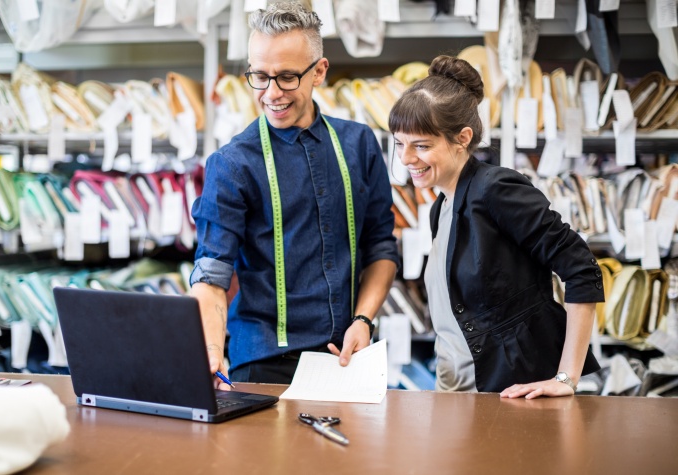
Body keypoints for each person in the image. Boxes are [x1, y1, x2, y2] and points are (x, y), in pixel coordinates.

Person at [190, 2, 399, 386]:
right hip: (264, 361)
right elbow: (211, 272)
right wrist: (211, 351)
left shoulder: (359, 144)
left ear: (318, 71)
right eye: (259, 76)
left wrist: (363, 319)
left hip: (347, 357)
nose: (271, 93)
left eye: (286, 77)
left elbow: (381, 247)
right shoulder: (231, 164)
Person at [388, 55, 603, 398]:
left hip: (507, 393)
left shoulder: (495, 189)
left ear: (462, 138)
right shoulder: (440, 207)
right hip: (454, 393)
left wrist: (566, 378)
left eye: (421, 145)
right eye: (400, 143)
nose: (405, 158)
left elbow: (581, 268)